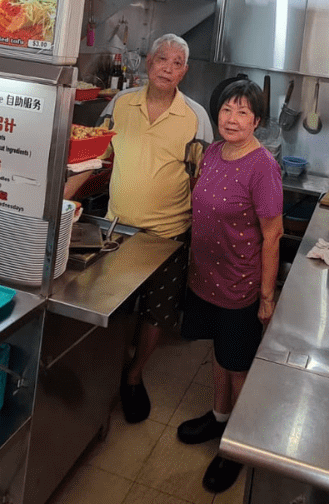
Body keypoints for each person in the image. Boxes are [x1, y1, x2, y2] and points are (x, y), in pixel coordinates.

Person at [174, 78, 283, 494]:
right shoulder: (215, 152)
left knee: (238, 367)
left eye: (243, 112)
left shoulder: (263, 167)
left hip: (240, 285)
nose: (232, 118)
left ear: (256, 120)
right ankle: (219, 418)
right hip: (205, 279)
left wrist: (266, 298)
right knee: (219, 354)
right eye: (226, 110)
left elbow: (272, 235)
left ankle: (236, 447)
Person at [104, 33, 212, 424]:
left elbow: (203, 178)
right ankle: (103, 374)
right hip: (116, 231)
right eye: (161, 59)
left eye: (177, 62)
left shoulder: (195, 117)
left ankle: (134, 377)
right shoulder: (120, 104)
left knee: (157, 314)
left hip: (169, 236)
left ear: (186, 71)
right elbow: (94, 156)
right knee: (112, 309)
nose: (168, 67)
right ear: (148, 62)